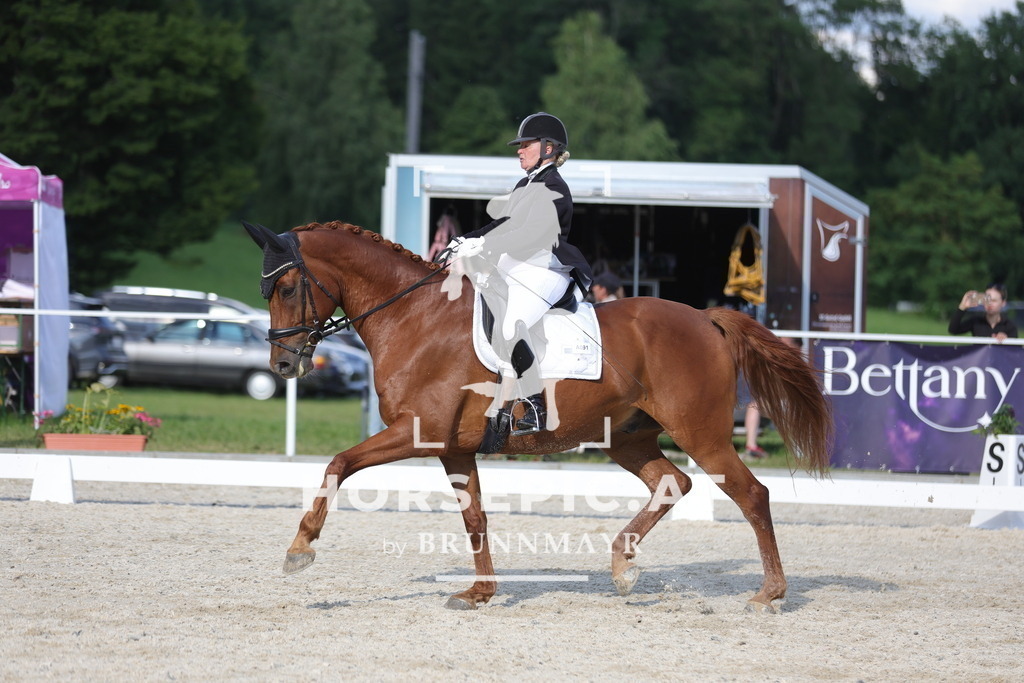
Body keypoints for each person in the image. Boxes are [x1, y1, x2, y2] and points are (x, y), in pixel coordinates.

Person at [444, 112, 593, 437]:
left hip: (549, 267)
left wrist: (484, 246)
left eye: (526, 144)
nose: (519, 150)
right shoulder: (526, 184)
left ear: (549, 148)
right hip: (522, 265)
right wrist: (467, 239)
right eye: (520, 145)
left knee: (512, 323)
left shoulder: (554, 187)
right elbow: (502, 224)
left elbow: (533, 235)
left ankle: (536, 408)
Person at [948, 284, 1018, 341]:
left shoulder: (1009, 325)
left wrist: (1007, 340)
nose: (990, 303)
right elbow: (953, 330)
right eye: (987, 299)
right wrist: (962, 307)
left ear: (1003, 303)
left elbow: (1014, 352)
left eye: (994, 300)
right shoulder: (976, 321)